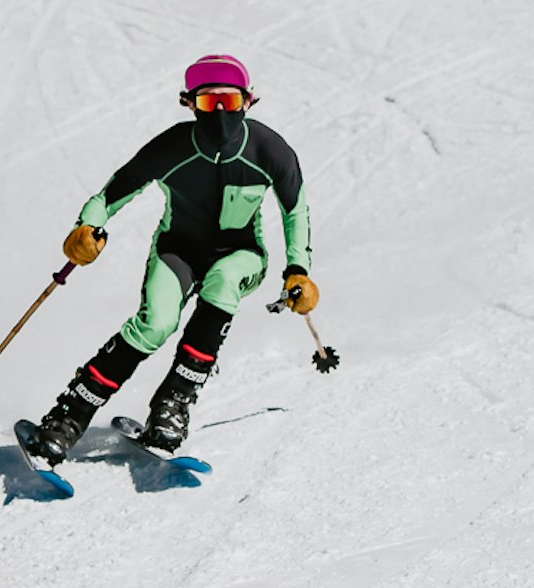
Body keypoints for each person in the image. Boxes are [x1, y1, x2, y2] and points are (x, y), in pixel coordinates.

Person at [24, 54, 317, 462]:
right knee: (155, 326)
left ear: (248, 102)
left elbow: (295, 211)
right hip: (177, 249)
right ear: (189, 104)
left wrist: (298, 270)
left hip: (242, 253)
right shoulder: (174, 147)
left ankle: (172, 404)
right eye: (206, 103)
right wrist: (86, 227)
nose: (217, 113)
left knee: (223, 283)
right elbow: (112, 192)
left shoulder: (270, 150)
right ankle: (68, 417)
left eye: (228, 103)